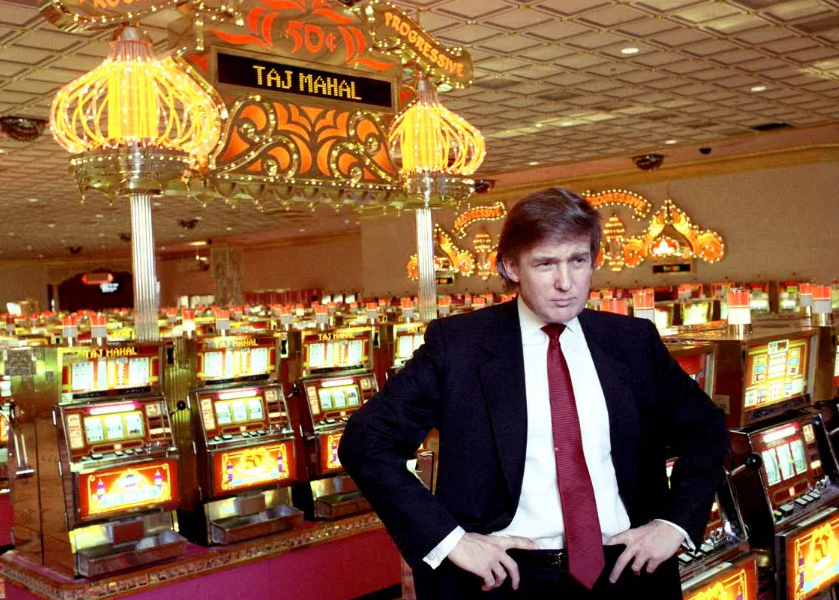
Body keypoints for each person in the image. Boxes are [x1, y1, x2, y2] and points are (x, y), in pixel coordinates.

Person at [339, 187, 727, 600]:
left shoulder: (631, 341)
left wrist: (675, 523)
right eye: (545, 264)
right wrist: (450, 540)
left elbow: (707, 429)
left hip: (626, 570)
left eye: (578, 261)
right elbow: (366, 443)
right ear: (511, 266)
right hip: (506, 578)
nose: (565, 282)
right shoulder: (460, 347)